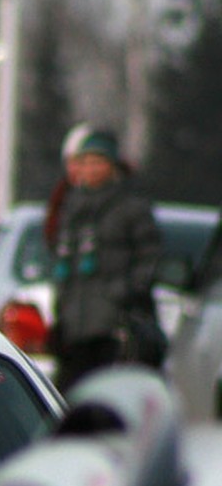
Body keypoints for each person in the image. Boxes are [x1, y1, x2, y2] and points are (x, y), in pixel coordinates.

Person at [45, 124, 164, 393]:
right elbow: (62, 259)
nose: (90, 169)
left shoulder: (130, 207)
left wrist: (125, 292)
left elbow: (150, 254)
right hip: (75, 324)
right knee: (69, 395)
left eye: (97, 162)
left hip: (113, 325)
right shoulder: (71, 207)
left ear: (112, 166)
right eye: (84, 162)